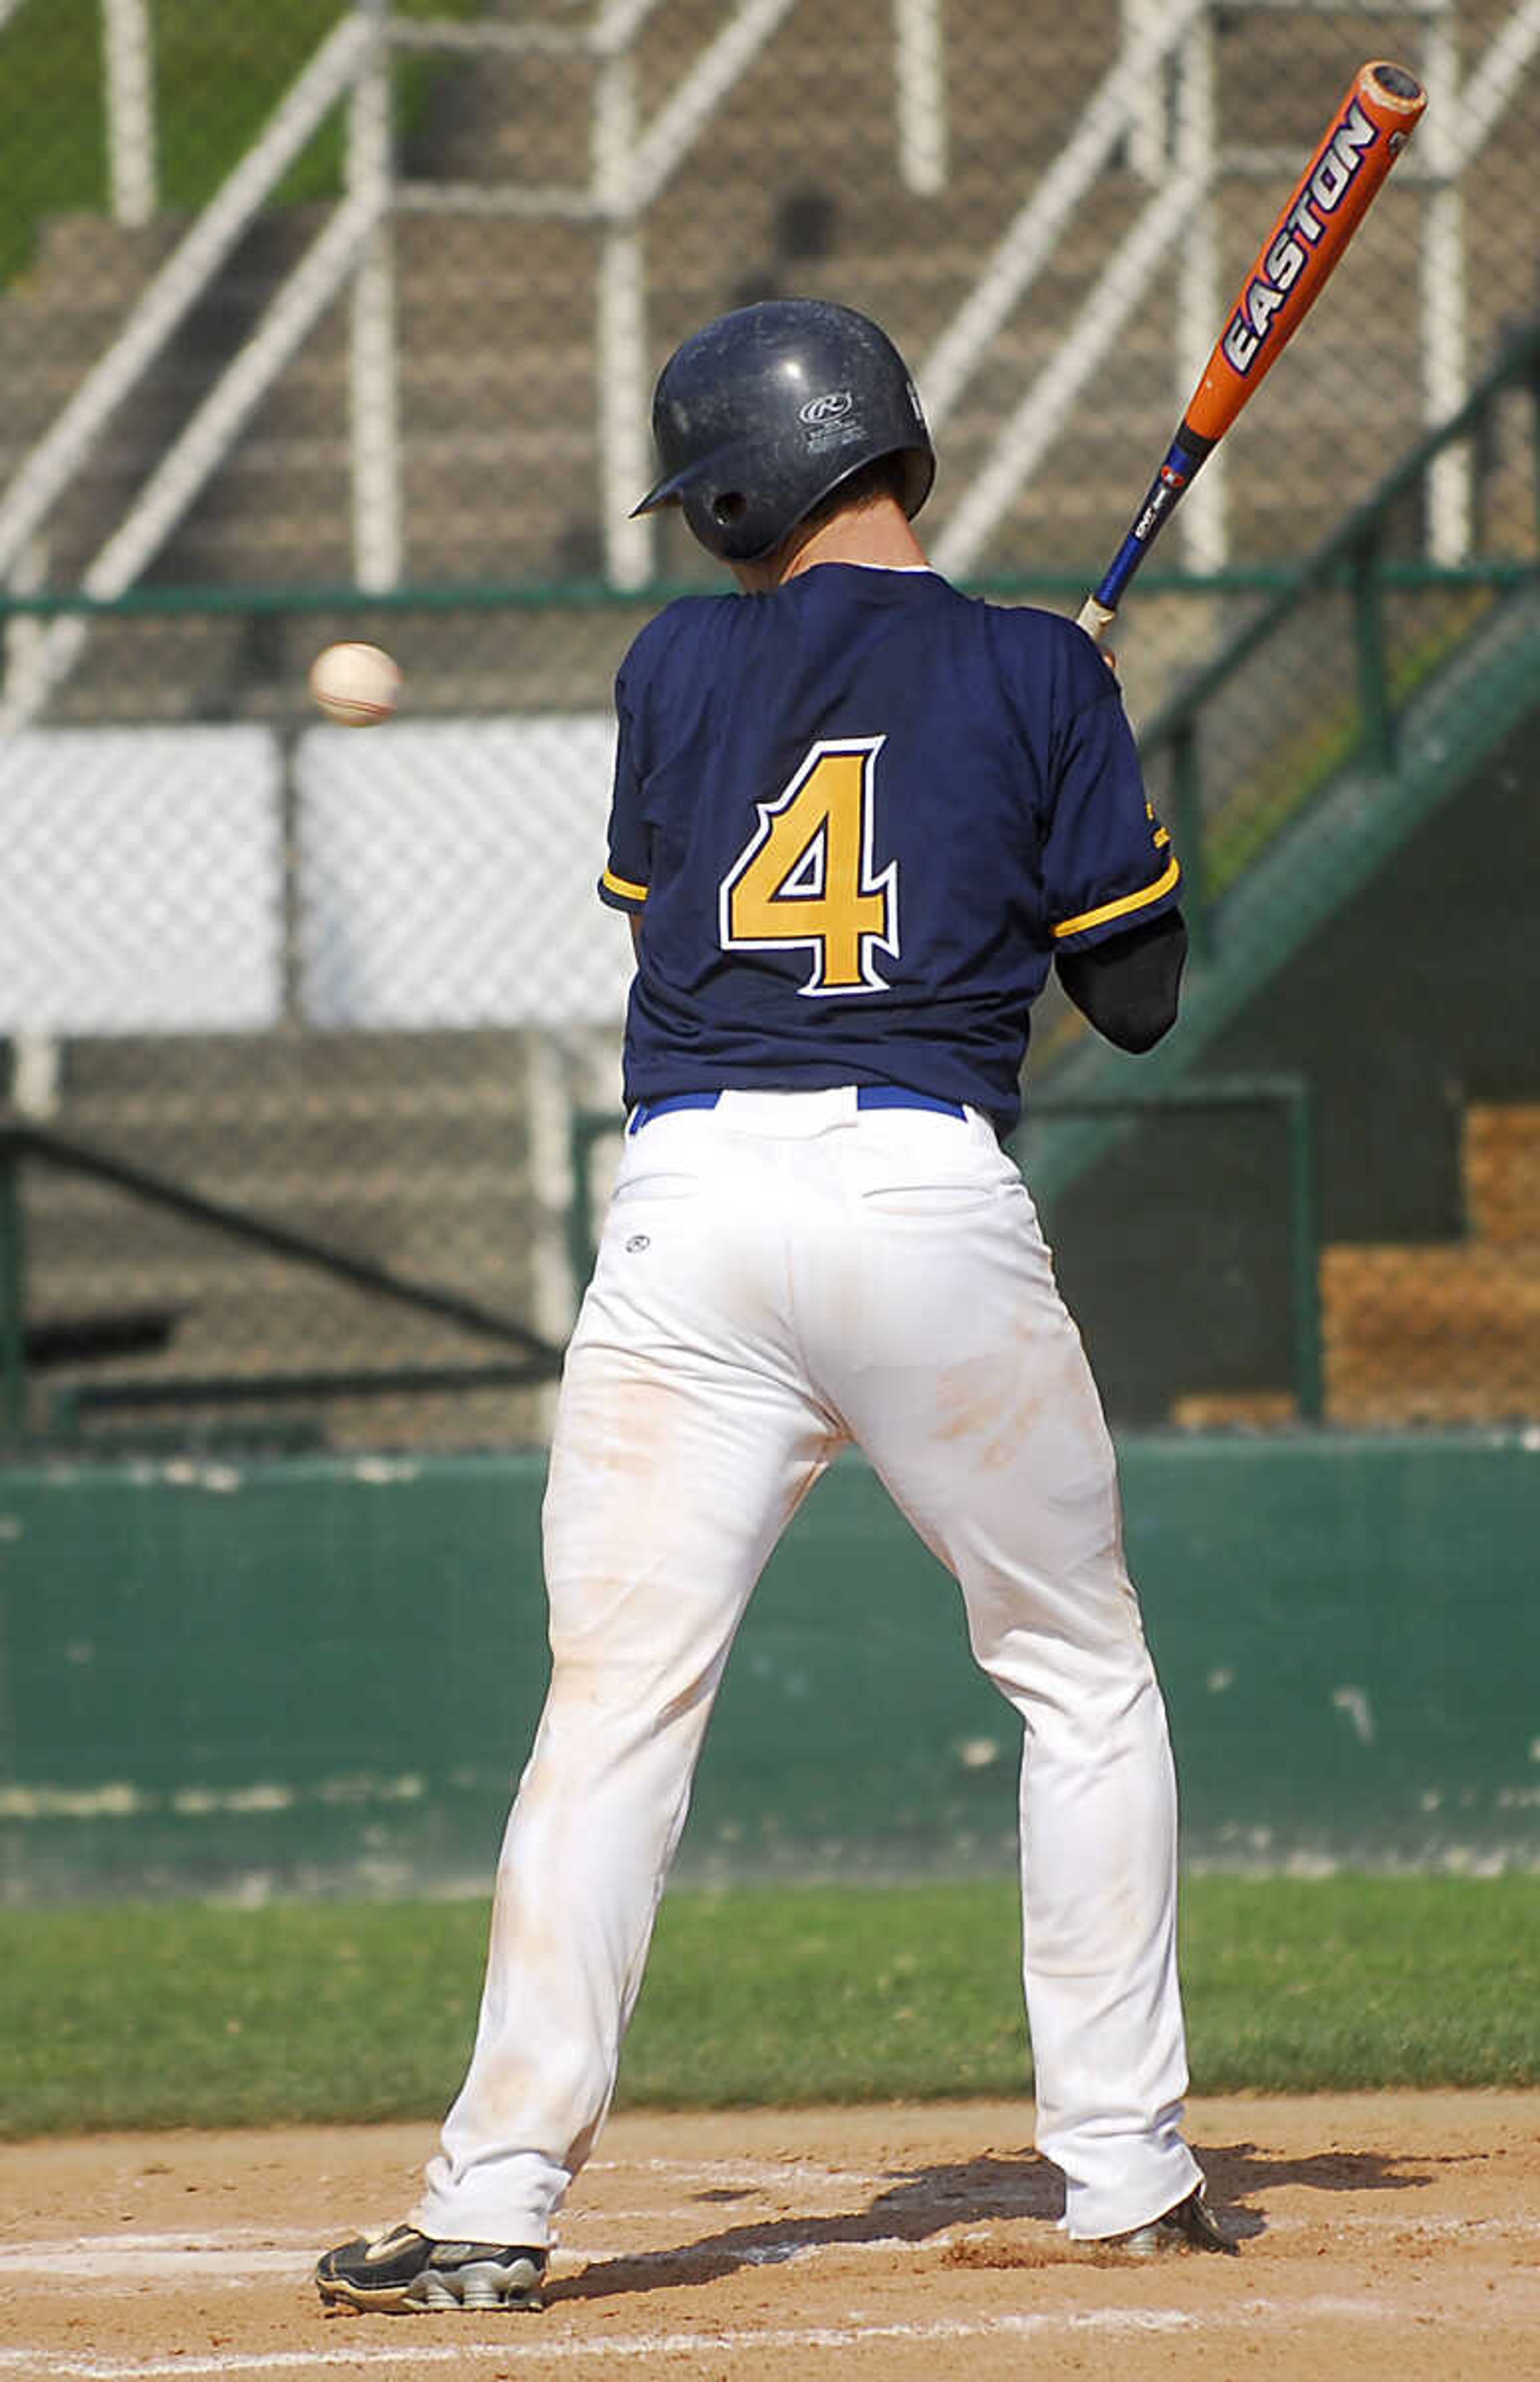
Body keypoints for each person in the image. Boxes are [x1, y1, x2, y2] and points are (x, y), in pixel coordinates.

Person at [315, 297, 1234, 2316]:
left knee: (611, 1716)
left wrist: (1023, 714)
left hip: (691, 1214)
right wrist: (1074, 724)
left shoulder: (676, 667)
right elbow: (1140, 998)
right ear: (892, 445)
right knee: (1076, 1674)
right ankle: (1129, 2169)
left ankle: (491, 2203)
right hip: (925, 1205)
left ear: (744, 490)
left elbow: (729, 890)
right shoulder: (1029, 673)